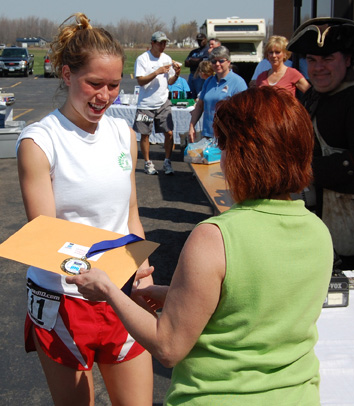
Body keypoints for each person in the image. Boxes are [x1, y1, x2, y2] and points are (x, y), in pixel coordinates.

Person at [67, 87, 333, 406]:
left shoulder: (216, 237)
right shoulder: (318, 231)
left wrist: (109, 291)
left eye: (224, 147)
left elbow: (168, 347)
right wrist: (177, 294)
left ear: (242, 155)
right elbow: (262, 303)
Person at [16, 13, 153, 406]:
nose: (105, 96)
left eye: (113, 85)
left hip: (119, 294)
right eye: (94, 83)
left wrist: (138, 276)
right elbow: (47, 236)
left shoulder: (122, 134)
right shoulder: (40, 141)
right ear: (66, 75)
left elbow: (130, 215)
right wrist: (100, 278)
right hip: (63, 299)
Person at [288, 17, 354, 268]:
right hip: (320, 214)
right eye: (312, 60)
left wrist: (304, 170)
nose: (318, 68)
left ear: (347, 60)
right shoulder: (314, 95)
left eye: (328, 59)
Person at [133, 31, 181, 175]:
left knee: (169, 132)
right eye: (160, 43)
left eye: (165, 43)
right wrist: (156, 72)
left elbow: (170, 81)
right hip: (146, 104)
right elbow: (140, 81)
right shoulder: (143, 59)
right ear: (152, 43)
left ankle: (167, 161)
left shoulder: (167, 58)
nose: (163, 46)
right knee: (145, 134)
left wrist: (177, 73)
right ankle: (148, 162)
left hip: (163, 102)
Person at [189, 46, 247, 143]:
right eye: (213, 61)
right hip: (208, 135)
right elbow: (200, 106)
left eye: (221, 61)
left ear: (228, 61)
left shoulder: (238, 82)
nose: (217, 64)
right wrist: (191, 126)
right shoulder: (209, 81)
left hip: (228, 137)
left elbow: (244, 112)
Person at [184, 33, 209, 98]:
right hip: (192, 74)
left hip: (201, 76)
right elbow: (186, 63)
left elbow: (204, 62)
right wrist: (197, 61)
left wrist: (193, 60)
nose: (200, 42)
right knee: (190, 94)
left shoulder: (207, 50)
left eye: (201, 40)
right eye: (198, 40)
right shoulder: (194, 51)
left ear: (205, 40)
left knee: (199, 94)